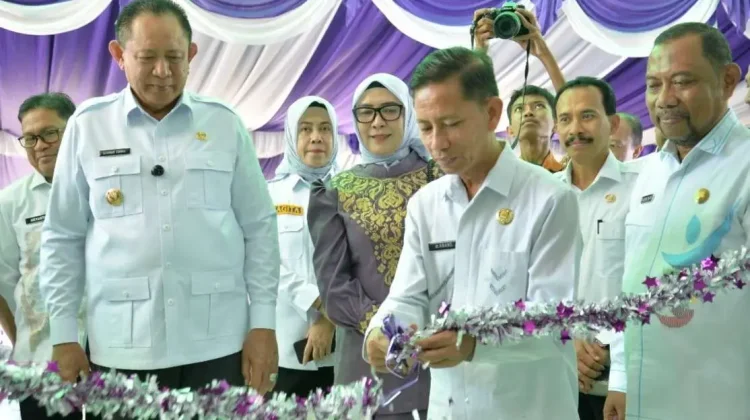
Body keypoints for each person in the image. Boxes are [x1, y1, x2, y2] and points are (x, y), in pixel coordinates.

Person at [37, 0, 280, 410]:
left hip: (218, 343)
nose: (163, 71)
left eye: (174, 57)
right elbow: (62, 236)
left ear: (192, 55)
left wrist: (264, 325)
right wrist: (63, 335)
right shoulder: (89, 126)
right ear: (119, 55)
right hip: (122, 346)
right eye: (148, 57)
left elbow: (259, 227)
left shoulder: (223, 124)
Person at [363, 47, 580, 419]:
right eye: (426, 127)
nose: (438, 143)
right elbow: (408, 296)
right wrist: (382, 332)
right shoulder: (426, 205)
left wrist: (474, 344)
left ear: (492, 113)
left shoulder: (549, 199)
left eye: (451, 124)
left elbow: (554, 319)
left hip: (529, 409)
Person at [603, 22, 750, 420]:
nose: (664, 99)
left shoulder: (745, 165)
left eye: (683, 82)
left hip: (719, 402)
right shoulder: (650, 171)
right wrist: (621, 378)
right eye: (654, 85)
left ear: (727, 80)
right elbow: (632, 281)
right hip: (642, 395)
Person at [307, 73, 438, 419]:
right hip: (367, 359)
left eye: (389, 110)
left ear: (408, 113)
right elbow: (334, 287)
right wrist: (389, 332)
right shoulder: (334, 191)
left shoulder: (439, 179)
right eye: (366, 112)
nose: (377, 122)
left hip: (438, 352)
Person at [553, 77, 641, 420]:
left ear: (613, 123)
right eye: (565, 119)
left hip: (620, 381)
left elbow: (644, 284)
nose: (575, 129)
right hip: (556, 374)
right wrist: (566, 340)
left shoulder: (641, 190)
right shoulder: (544, 195)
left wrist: (617, 364)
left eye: (587, 116)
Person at [0, 93, 85, 420]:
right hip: (41, 362)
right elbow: (4, 284)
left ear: (74, 131)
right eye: (30, 138)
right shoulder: (10, 202)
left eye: (50, 133)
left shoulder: (102, 188)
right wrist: (25, 342)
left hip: (111, 351)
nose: (40, 146)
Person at [267, 96, 338, 398]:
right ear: (291, 137)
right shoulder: (268, 196)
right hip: (283, 349)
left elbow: (363, 264)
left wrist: (331, 319)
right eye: (305, 129)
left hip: (343, 349)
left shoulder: (353, 194)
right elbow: (262, 260)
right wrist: (318, 302)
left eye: (325, 128)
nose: (316, 137)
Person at [473, 6, 567, 172]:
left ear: (556, 125)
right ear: (510, 131)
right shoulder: (500, 174)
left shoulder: (571, 172)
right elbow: (473, 119)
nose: (528, 112)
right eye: (519, 109)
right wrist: (480, 51)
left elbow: (571, 108)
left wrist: (542, 51)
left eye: (539, 106)